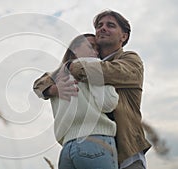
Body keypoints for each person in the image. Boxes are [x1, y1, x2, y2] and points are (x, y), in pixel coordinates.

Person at [33, 10, 151, 169]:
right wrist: (52, 89)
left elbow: (107, 72)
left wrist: (70, 65)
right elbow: (40, 83)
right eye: (99, 25)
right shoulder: (87, 64)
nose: (103, 28)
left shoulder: (130, 60)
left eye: (110, 25)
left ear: (123, 36)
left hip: (126, 150)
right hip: (92, 145)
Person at [49, 33, 119, 169]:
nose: (96, 51)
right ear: (75, 49)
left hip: (67, 149)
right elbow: (108, 103)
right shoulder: (94, 65)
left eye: (97, 48)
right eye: (91, 46)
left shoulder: (55, 78)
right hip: (96, 142)